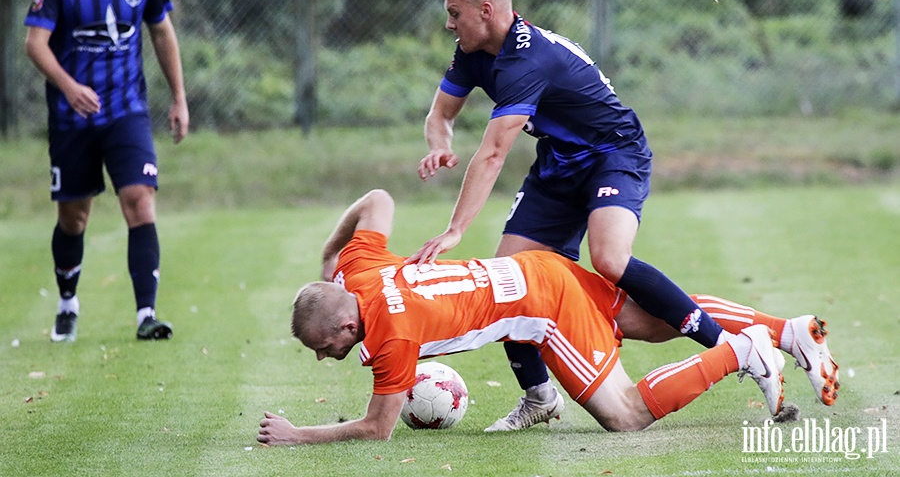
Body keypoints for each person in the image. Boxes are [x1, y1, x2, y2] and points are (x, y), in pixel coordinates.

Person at [406, 0, 807, 430]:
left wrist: (454, 231)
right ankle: (539, 398)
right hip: (560, 163)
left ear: (486, 10)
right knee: (509, 278)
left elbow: (494, 154)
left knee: (611, 261)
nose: (449, 23)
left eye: (454, 12)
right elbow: (441, 116)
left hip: (613, 154)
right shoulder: (474, 53)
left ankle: (736, 349)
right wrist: (439, 146)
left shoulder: (526, 61)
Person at [256, 189, 838, 445]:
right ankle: (787, 332)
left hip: (544, 307)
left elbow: (376, 428)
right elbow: (378, 199)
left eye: (323, 347)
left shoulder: (391, 340)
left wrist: (294, 435)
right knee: (657, 321)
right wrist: (331, 253)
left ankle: (741, 351)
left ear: (346, 327)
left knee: (626, 415)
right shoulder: (358, 271)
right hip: (538, 268)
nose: (321, 356)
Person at [23, 0, 189, 342]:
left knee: (139, 200)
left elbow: (162, 33)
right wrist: (70, 87)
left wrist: (179, 97)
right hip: (71, 118)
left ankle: (146, 315)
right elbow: (35, 43)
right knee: (74, 218)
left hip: (126, 113)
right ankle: (67, 303)